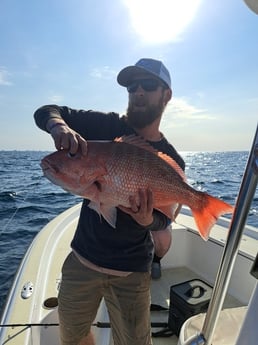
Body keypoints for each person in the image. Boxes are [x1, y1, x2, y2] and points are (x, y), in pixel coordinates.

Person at [34, 58, 185, 345]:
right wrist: (58, 127)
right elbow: (47, 110)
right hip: (83, 260)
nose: (138, 91)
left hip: (132, 272)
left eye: (148, 84)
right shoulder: (105, 126)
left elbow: (164, 219)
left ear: (166, 95)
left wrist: (147, 220)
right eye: (131, 86)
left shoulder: (170, 159)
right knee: (72, 335)